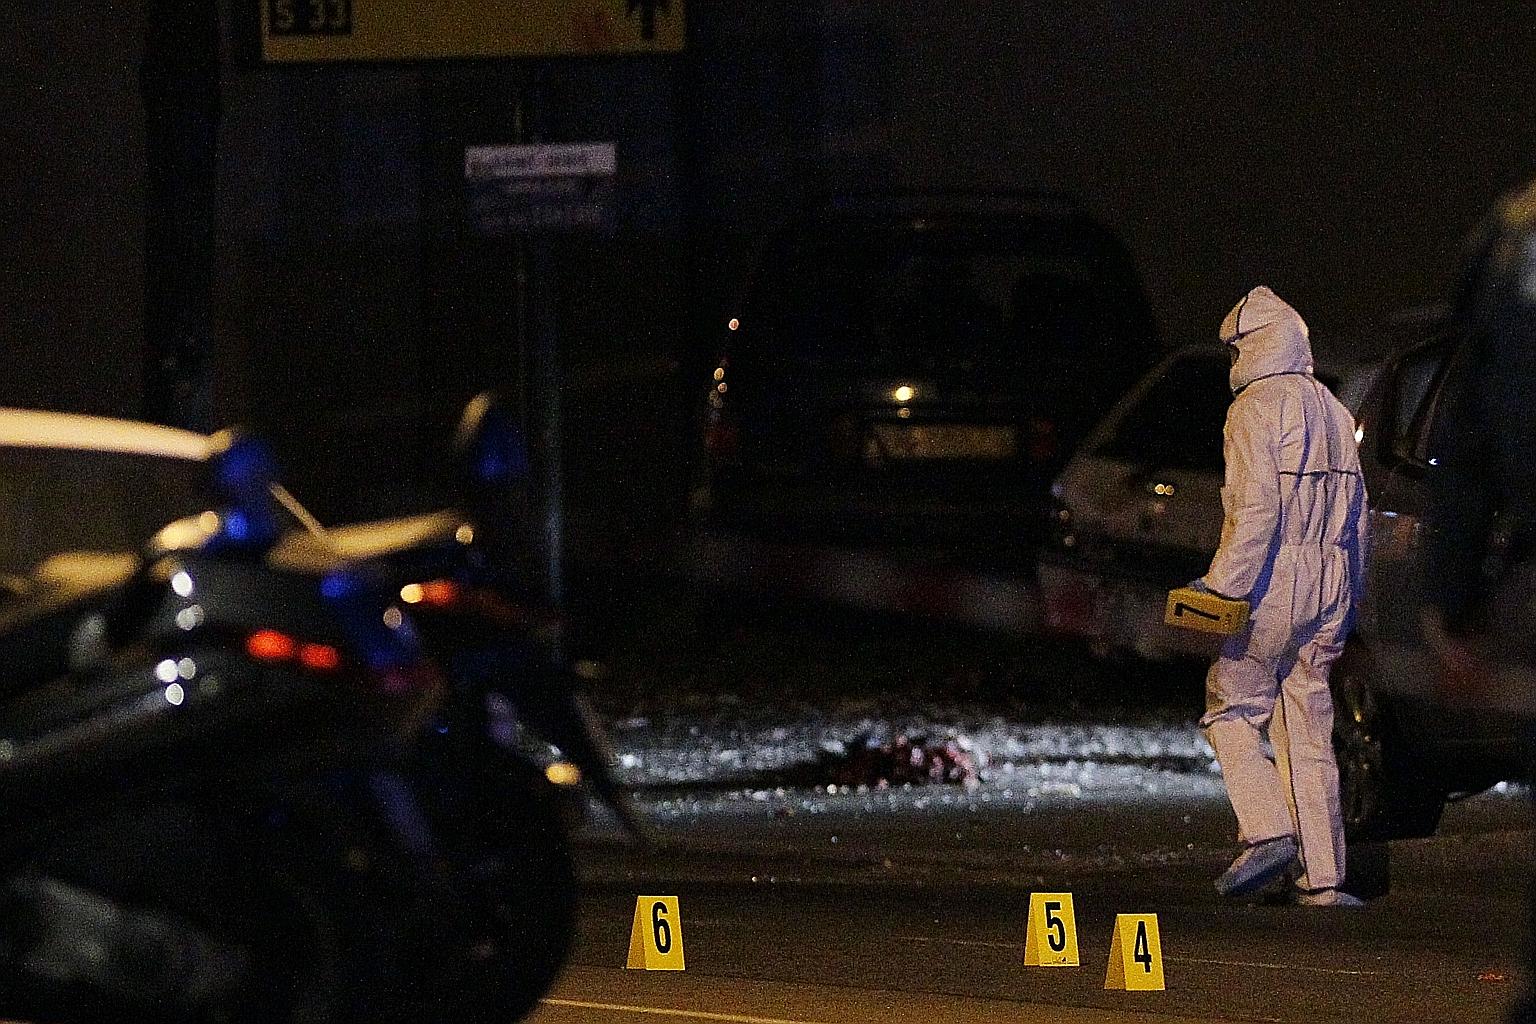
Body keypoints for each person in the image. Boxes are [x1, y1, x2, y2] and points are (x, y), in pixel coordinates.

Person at [1190, 285, 1370, 907]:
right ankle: (1324, 878)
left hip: (1274, 588)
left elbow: (1255, 512)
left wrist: (1221, 588)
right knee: (1310, 728)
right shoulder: (1335, 410)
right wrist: (1354, 603)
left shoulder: (1254, 411)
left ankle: (1266, 830)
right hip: (1333, 590)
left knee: (1232, 706)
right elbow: (1359, 518)